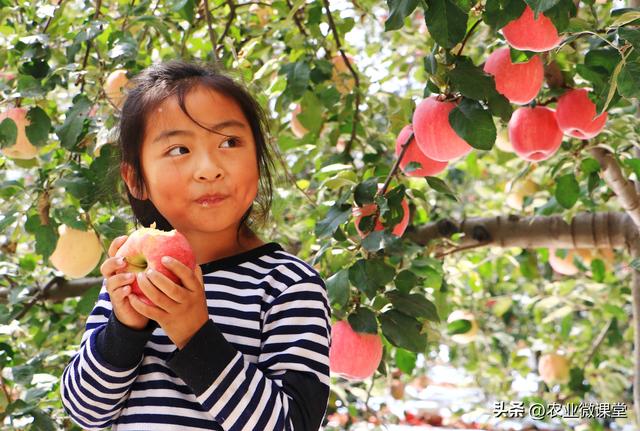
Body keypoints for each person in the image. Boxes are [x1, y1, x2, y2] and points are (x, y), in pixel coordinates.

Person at [59, 60, 331, 430]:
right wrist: (125, 327)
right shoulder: (128, 279)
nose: (208, 168)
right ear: (136, 178)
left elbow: (292, 424)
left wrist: (194, 332)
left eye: (229, 142)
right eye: (178, 150)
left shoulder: (287, 285)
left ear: (258, 157)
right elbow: (86, 412)